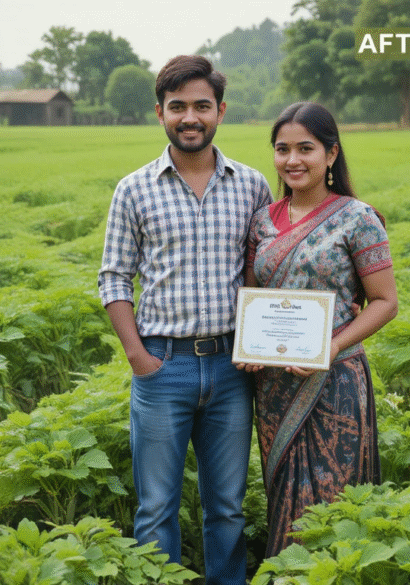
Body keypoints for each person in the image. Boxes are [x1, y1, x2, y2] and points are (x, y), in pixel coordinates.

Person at [97, 55, 272, 585]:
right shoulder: (135, 188)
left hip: (231, 369)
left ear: (220, 111)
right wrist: (139, 359)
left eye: (201, 106)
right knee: (155, 508)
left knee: (228, 507)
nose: (189, 117)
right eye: (178, 107)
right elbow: (113, 278)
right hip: (162, 366)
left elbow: (271, 270)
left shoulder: (252, 185)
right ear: (160, 113)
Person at [240, 102, 397, 557]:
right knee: (284, 494)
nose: (293, 160)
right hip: (273, 384)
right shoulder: (263, 222)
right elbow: (252, 299)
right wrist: (248, 344)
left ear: (331, 154)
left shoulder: (358, 218)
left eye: (305, 148)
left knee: (335, 502)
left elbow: (385, 303)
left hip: (336, 382)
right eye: (282, 149)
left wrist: (328, 349)